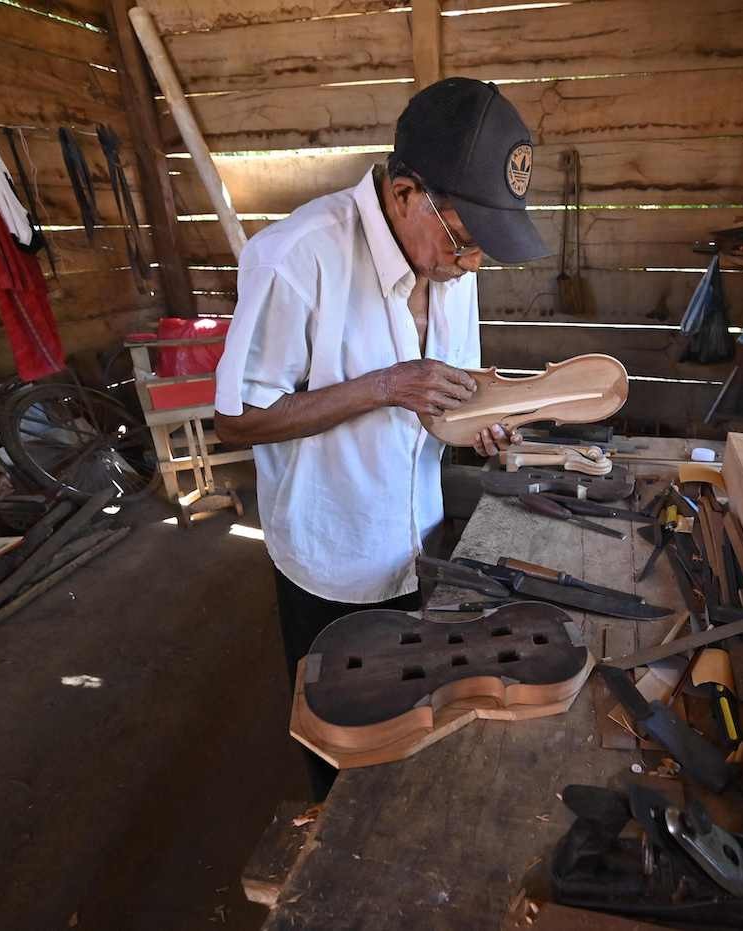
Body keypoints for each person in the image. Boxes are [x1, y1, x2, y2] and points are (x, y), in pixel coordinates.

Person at [213, 78, 551, 800]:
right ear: (405, 194)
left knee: (413, 735)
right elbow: (236, 418)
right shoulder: (297, 258)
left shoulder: (450, 261)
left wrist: (479, 421)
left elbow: (448, 389)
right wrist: (385, 385)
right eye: (466, 240)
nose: (473, 264)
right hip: (331, 563)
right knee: (341, 749)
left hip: (421, 545)